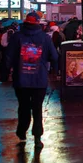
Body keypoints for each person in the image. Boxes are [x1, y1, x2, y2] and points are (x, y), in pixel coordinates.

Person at [6, 12, 58, 149]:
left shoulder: (17, 37)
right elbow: (54, 56)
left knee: (23, 107)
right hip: (39, 80)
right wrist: (55, 70)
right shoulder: (45, 38)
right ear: (38, 24)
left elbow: (8, 57)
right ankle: (37, 138)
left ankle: (22, 131)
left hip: (21, 80)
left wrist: (4, 75)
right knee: (37, 109)